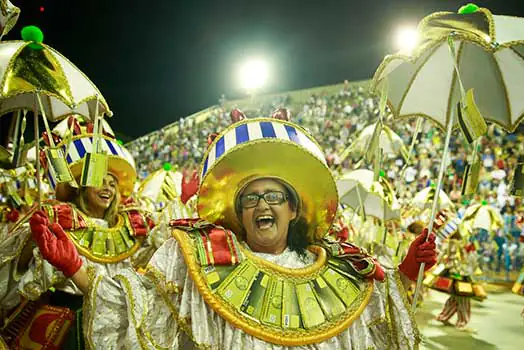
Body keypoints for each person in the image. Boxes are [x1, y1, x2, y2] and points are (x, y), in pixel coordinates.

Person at [31, 111, 437, 349]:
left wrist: (404, 273)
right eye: (250, 198)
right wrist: (75, 268)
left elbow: (377, 322)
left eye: (275, 197)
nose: (262, 205)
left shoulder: (340, 268)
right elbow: (137, 306)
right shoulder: (196, 257)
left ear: (294, 209)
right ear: (237, 213)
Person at [0, 117, 164, 349]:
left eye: (113, 183)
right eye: (100, 180)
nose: (107, 187)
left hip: (111, 324)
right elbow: (17, 277)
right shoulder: (59, 219)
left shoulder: (130, 227)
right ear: (82, 186)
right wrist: (30, 244)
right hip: (60, 324)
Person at [424, 231, 486, 331]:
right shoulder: (467, 245)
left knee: (454, 297)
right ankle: (462, 322)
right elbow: (472, 261)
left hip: (451, 274)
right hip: (463, 275)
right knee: (464, 299)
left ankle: (444, 316)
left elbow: (440, 258)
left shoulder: (448, 244)